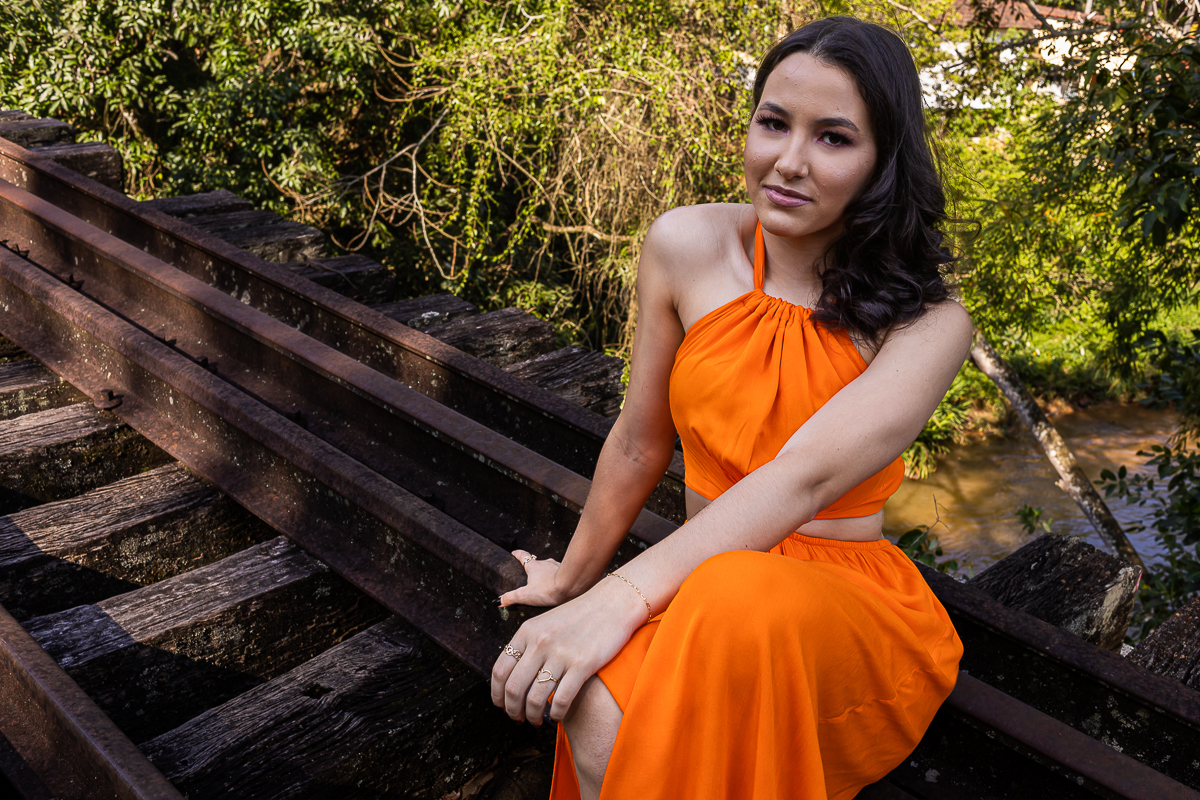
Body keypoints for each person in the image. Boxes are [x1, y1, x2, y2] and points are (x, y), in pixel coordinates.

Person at [489, 15, 972, 800]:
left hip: (836, 605)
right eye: (774, 123)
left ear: (883, 160)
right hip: (699, 576)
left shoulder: (929, 324)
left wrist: (618, 599)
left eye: (833, 138)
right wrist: (571, 583)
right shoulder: (685, 244)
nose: (788, 161)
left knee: (735, 592)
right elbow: (641, 439)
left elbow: (803, 480)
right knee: (598, 714)